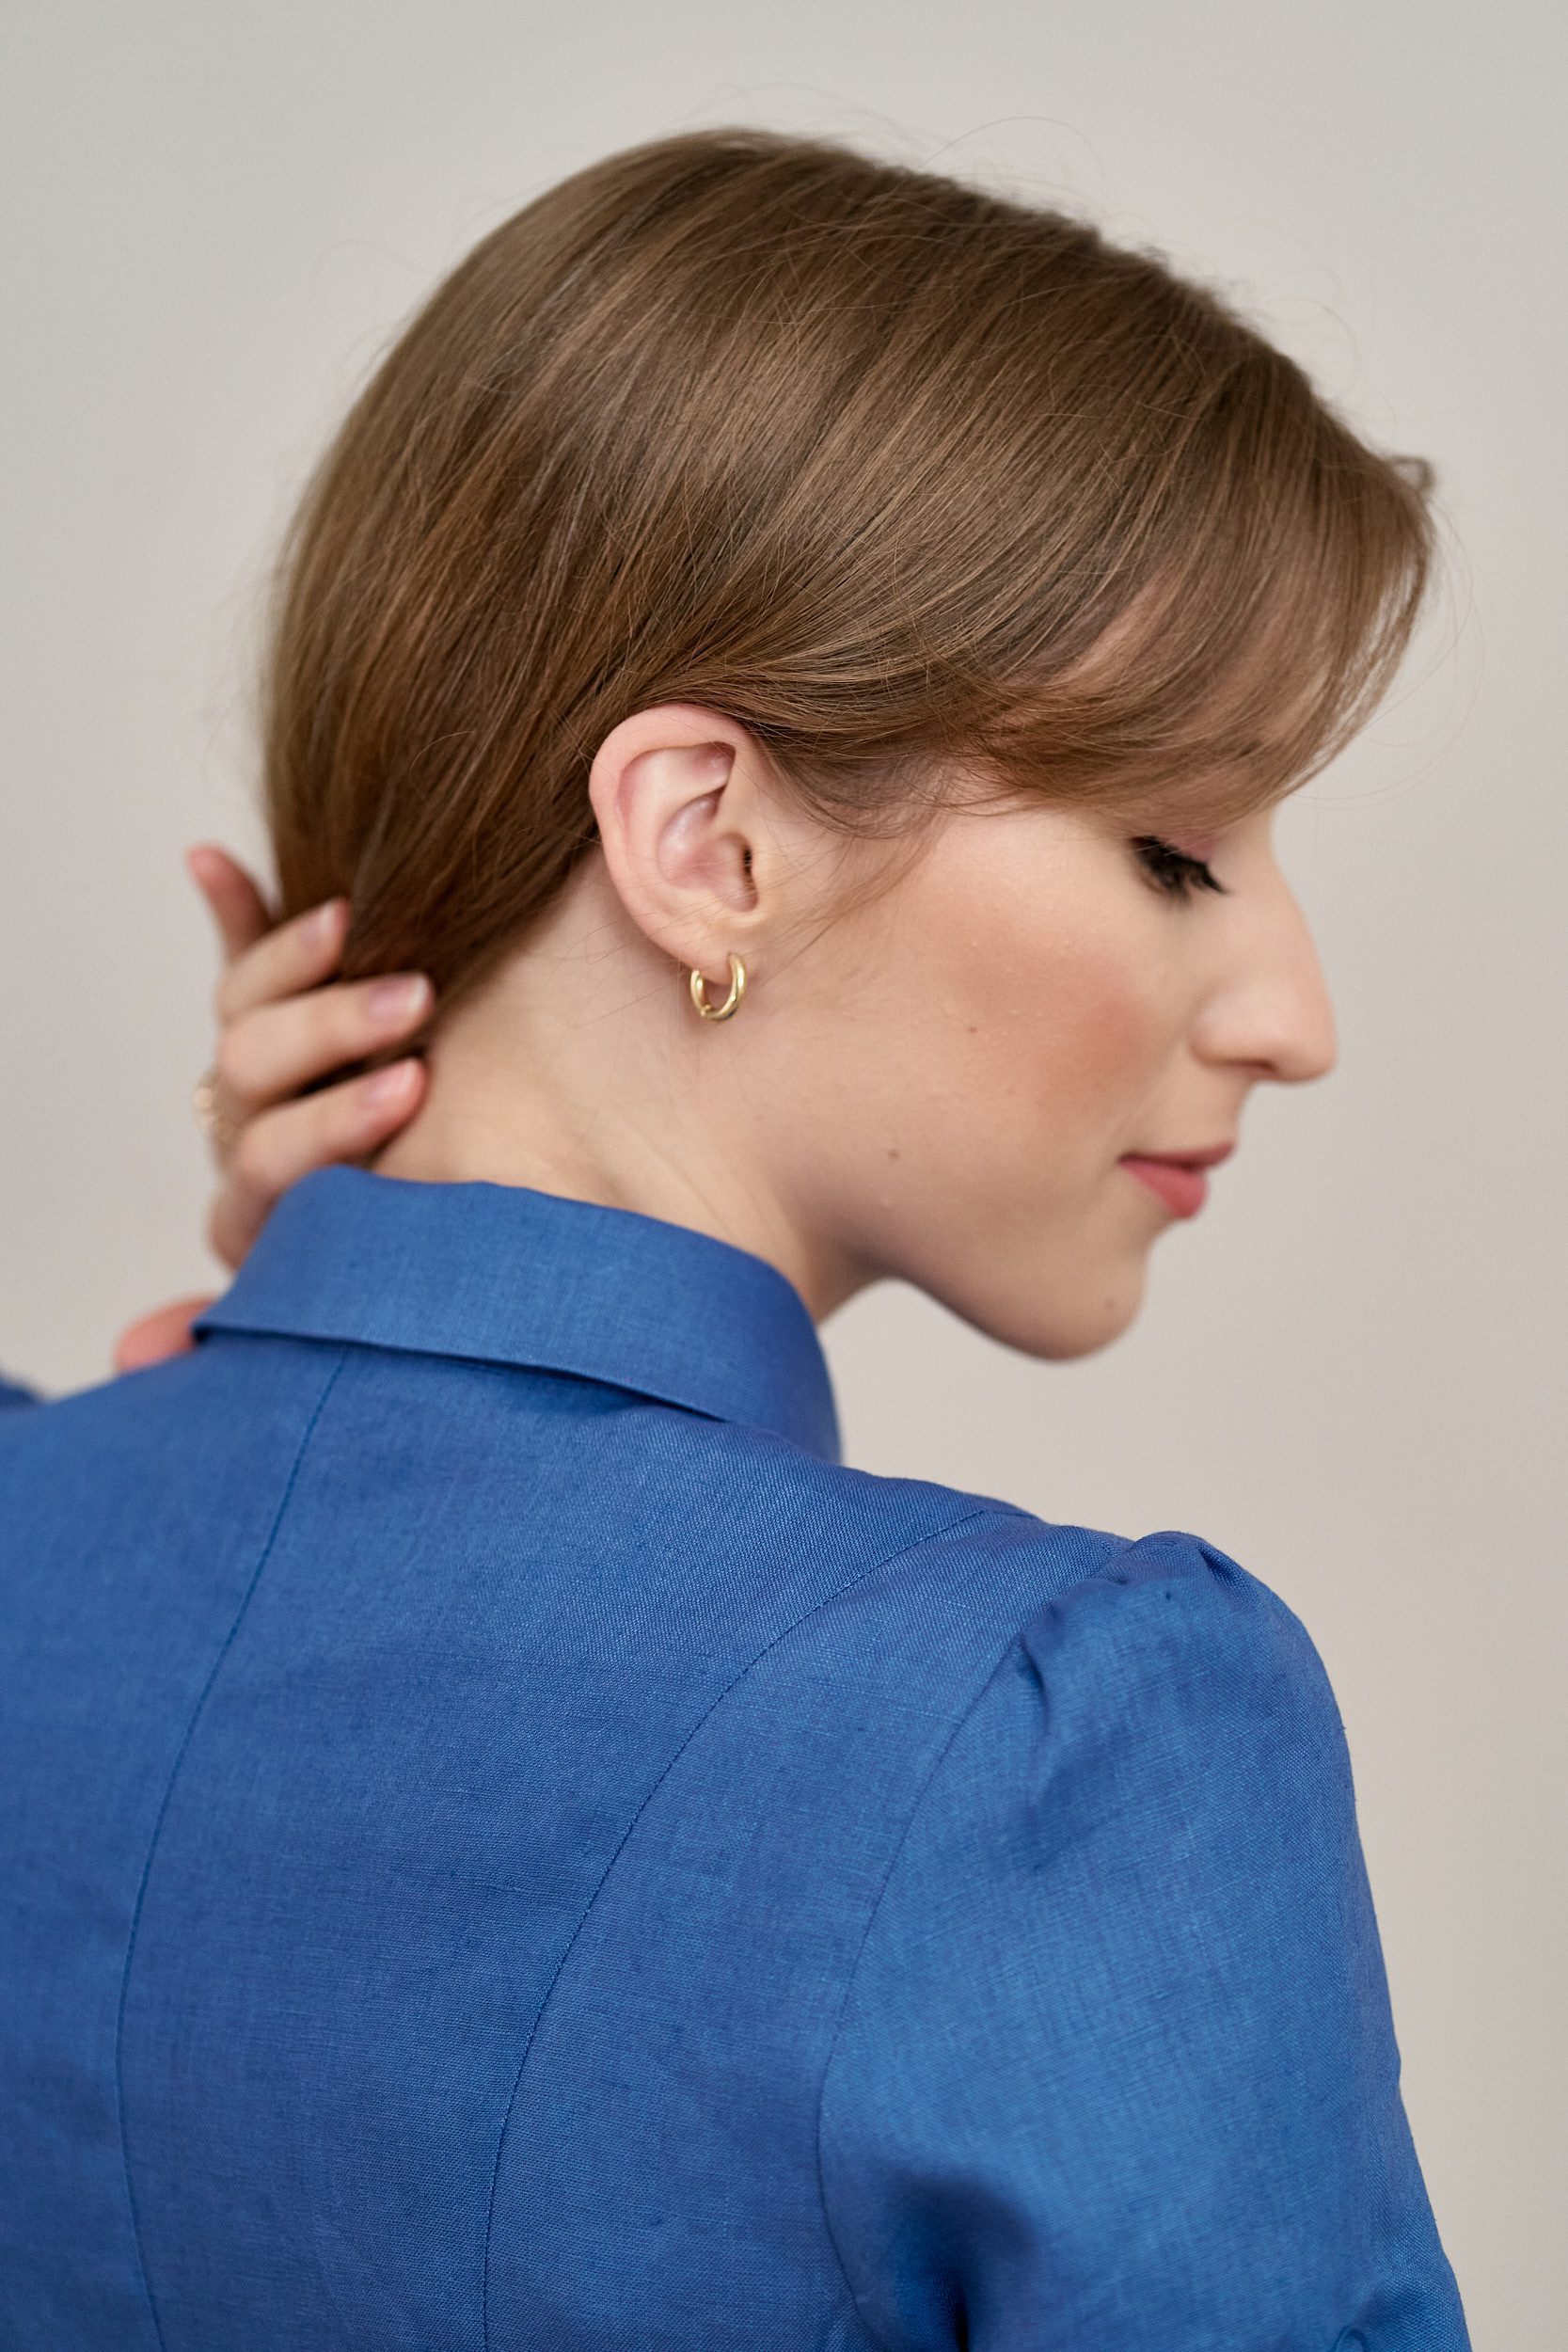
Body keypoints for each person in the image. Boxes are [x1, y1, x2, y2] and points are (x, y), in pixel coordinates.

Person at [0, 126, 1470, 2348]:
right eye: (1178, 847)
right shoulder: (1064, 1749)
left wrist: (317, 1328)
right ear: (710, 842)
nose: (1298, 1015)